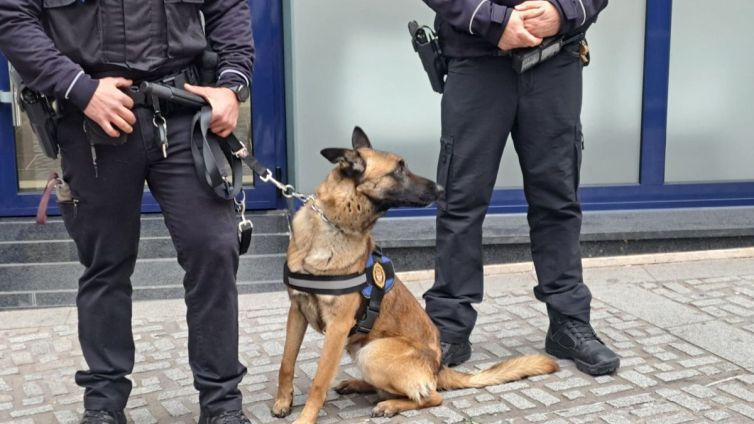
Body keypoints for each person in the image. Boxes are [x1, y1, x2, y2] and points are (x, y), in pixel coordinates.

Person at [0, 1, 254, 422]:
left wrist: (231, 85)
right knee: (105, 265)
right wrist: (78, 87)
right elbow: (11, 17)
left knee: (213, 248)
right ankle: (103, 405)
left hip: (183, 112)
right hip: (92, 118)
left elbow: (227, 7)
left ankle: (223, 405)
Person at [421, 0, 620, 376]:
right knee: (460, 201)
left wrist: (564, 11)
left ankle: (568, 322)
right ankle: (447, 328)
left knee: (558, 200)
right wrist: (494, 20)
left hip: (556, 59)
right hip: (476, 59)